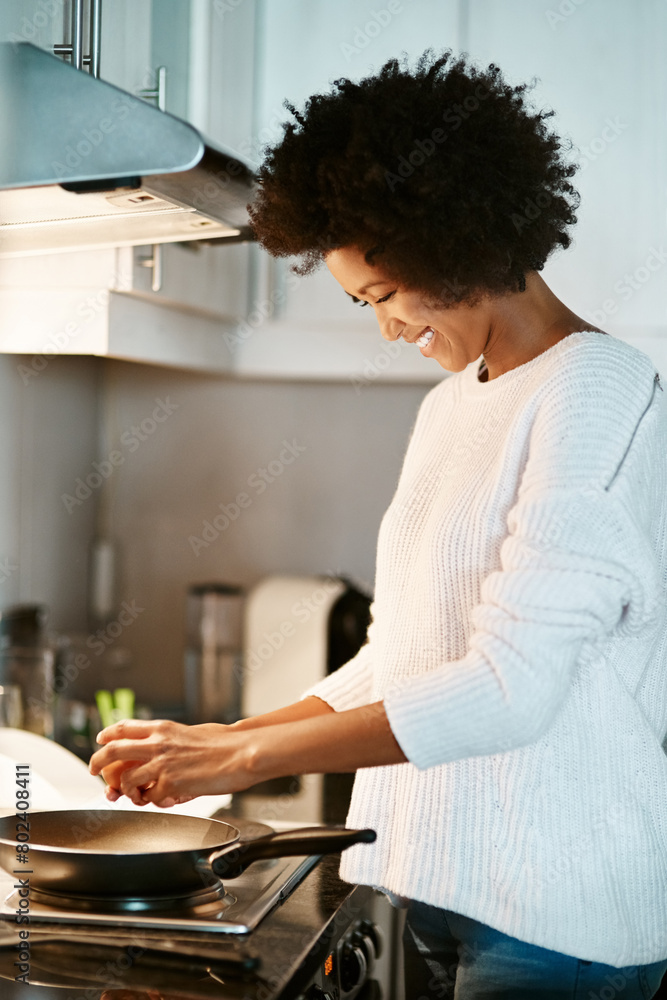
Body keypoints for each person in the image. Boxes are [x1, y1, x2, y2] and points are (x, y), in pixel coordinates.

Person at [90, 50, 667, 998]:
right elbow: (399, 654)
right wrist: (218, 739)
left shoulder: (598, 393)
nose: (387, 332)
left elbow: (508, 689)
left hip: (559, 916)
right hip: (440, 892)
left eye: (384, 297)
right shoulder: (452, 403)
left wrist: (239, 755)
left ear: (456, 245)